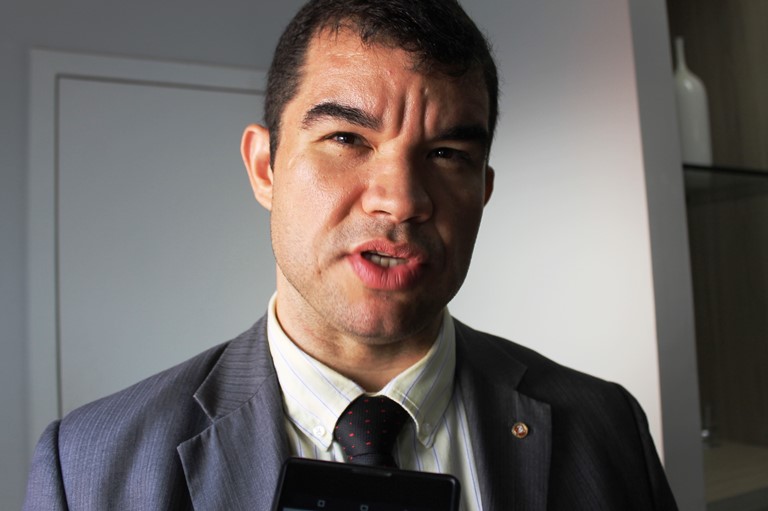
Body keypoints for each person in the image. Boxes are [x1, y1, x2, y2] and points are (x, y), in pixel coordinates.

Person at [23, 0, 678, 509]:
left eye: (446, 153)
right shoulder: (88, 468)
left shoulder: (606, 426)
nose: (401, 200)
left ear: (484, 190)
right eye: (346, 138)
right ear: (264, 166)